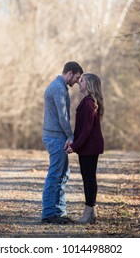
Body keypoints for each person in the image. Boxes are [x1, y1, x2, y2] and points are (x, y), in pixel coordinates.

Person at [41, 61, 84, 224]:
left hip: (55, 136)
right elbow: (63, 116)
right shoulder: (58, 88)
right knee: (55, 175)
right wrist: (71, 137)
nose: (77, 81)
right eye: (77, 77)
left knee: (63, 174)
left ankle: (59, 211)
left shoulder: (59, 86)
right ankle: (49, 214)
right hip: (55, 137)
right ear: (70, 73)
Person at [66, 73, 104, 224]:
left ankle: (89, 214)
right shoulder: (87, 102)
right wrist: (73, 142)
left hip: (90, 147)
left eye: (82, 81)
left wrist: (74, 146)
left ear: (88, 85)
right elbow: (81, 128)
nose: (79, 83)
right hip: (88, 146)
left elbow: (87, 130)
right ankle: (90, 213)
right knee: (87, 177)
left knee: (89, 178)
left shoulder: (89, 103)